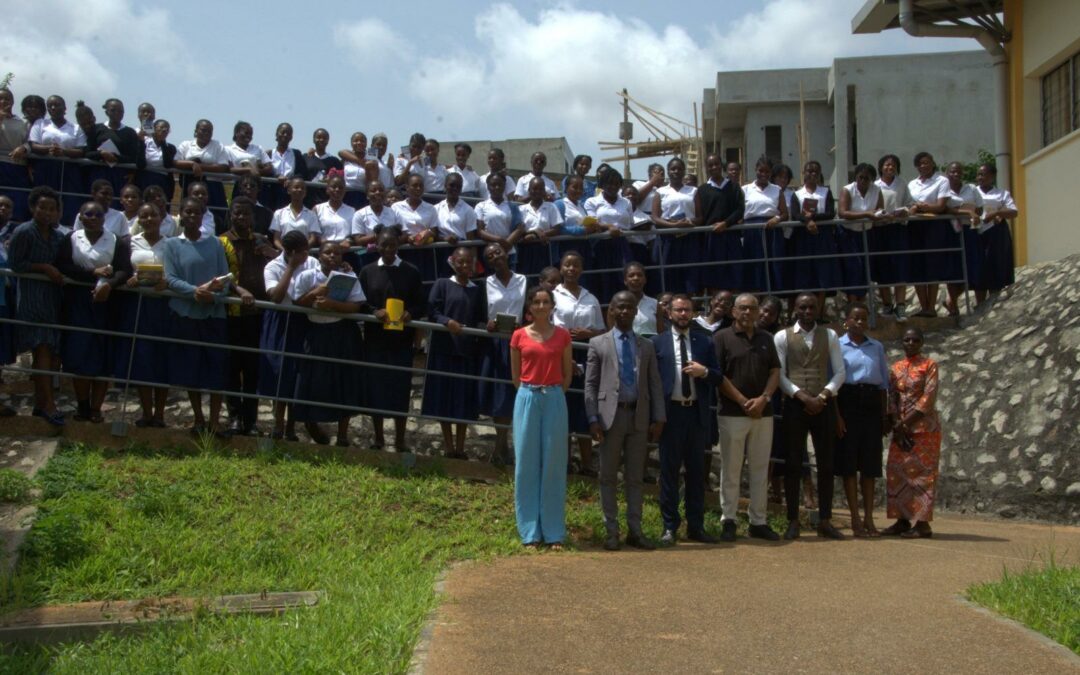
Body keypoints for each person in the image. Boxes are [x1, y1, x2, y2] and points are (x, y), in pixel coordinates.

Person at [163, 197, 253, 437]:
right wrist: (194, 292)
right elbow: (170, 278)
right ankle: (199, 419)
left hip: (213, 315)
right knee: (191, 369)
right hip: (186, 314)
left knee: (216, 369)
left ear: (204, 216)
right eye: (188, 212)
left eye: (197, 212)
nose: (192, 216)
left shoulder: (214, 244)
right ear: (181, 215)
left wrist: (213, 294)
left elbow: (226, 277)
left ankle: (214, 421)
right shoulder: (171, 245)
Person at [585, 291, 665, 551]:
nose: (625, 311)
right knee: (607, 476)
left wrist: (659, 417)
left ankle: (635, 530)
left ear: (635, 312)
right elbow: (590, 384)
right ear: (612, 311)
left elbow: (654, 383)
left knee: (635, 477)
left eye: (630, 307)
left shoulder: (646, 345)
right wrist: (592, 417)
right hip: (610, 417)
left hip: (639, 417)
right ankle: (611, 531)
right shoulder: (598, 343)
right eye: (620, 307)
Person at [651, 294, 724, 545]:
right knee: (669, 472)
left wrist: (704, 372)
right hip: (671, 414)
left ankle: (696, 526)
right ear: (669, 313)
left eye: (687, 310)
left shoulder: (704, 342)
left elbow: (718, 376)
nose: (683, 314)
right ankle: (669, 526)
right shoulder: (657, 343)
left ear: (693, 313)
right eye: (679, 310)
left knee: (696, 473)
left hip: (696, 413)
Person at [775, 293, 846, 540]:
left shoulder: (830, 335)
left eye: (812, 307)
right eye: (803, 307)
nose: (807, 311)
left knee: (826, 463)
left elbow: (840, 371)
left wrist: (824, 395)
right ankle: (793, 520)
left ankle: (824, 519)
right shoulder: (782, 336)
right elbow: (780, 374)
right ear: (795, 309)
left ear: (818, 309)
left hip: (822, 402)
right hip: (796, 405)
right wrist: (801, 396)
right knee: (793, 463)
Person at [56, 200, 133, 422]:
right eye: (87, 214)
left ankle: (96, 408)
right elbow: (63, 265)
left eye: (97, 215)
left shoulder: (115, 240)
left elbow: (124, 270)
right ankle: (82, 406)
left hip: (106, 303)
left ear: (103, 218)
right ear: (80, 217)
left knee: (102, 355)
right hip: (78, 303)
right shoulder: (71, 238)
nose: (92, 218)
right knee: (79, 354)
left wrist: (110, 284)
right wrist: (92, 273)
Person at [713, 293, 782, 542]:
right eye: (742, 308)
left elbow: (775, 370)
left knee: (760, 469)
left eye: (752, 308)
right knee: (731, 469)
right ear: (733, 311)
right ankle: (728, 519)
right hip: (733, 413)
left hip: (763, 413)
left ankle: (758, 521)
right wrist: (743, 401)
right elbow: (718, 376)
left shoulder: (766, 338)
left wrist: (764, 398)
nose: (748, 313)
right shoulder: (721, 338)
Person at [510, 285, 573, 549]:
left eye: (546, 302)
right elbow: (515, 376)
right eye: (536, 302)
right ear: (529, 307)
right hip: (527, 397)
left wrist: (553, 392)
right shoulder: (518, 336)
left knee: (554, 464)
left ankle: (553, 531)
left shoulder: (563, 335)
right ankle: (529, 532)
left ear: (552, 306)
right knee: (526, 463)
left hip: (555, 398)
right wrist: (531, 392)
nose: (541, 306)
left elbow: (567, 373)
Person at [289, 240, 366, 447]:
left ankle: (342, 434)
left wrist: (333, 305)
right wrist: (316, 293)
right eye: (328, 253)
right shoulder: (307, 276)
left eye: (337, 254)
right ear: (319, 256)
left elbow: (356, 306)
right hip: (315, 332)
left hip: (342, 333)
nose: (333, 257)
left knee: (344, 381)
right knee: (310, 381)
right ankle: (310, 424)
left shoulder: (349, 277)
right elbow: (296, 302)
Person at [358, 231, 426, 451]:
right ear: (377, 246)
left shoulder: (411, 271)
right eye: (384, 245)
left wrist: (410, 313)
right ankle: (379, 438)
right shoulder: (368, 271)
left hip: (401, 341)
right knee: (375, 387)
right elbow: (360, 301)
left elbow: (420, 303)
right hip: (375, 339)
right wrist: (374, 311)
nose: (389, 249)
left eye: (393, 245)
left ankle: (399, 439)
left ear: (398, 245)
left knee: (400, 388)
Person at [7, 186, 66, 425]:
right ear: (33, 207)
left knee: (50, 352)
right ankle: (49, 405)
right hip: (32, 298)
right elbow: (16, 264)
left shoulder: (58, 236)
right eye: (42, 207)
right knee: (41, 347)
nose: (47, 213)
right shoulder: (24, 232)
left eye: (52, 209)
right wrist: (42, 268)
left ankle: (41, 401)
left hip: (53, 299)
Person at [422, 247, 487, 458]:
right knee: (444, 399)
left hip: (467, 351)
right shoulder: (442, 284)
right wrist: (447, 321)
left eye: (469, 262)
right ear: (453, 262)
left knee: (463, 401)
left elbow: (480, 317)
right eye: (460, 262)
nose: (464, 266)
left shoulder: (477, 289)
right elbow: (432, 311)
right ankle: (448, 447)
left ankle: (461, 447)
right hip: (444, 349)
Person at [220, 197, 275, 436]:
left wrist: (271, 253)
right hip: (232, 312)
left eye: (246, 214)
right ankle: (234, 417)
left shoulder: (261, 240)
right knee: (232, 367)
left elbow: (279, 267)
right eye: (237, 213)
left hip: (257, 315)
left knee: (253, 370)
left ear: (253, 217)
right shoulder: (221, 241)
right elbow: (220, 275)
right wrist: (237, 289)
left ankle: (250, 420)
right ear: (231, 215)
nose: (241, 218)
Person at [836, 303, 889, 537]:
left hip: (871, 404)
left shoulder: (876, 347)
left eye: (864, 319)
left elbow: (884, 384)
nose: (860, 323)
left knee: (870, 466)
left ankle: (869, 517)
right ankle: (855, 518)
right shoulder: (837, 346)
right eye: (855, 318)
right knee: (849, 464)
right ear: (846, 321)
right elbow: (834, 383)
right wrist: (837, 416)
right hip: (848, 402)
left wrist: (884, 414)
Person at [259, 230, 318, 441]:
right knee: (279, 372)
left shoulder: (312, 262)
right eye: (302, 252)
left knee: (297, 374)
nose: (306, 255)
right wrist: (291, 267)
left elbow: (319, 286)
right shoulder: (273, 267)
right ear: (292, 252)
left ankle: (292, 426)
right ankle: (278, 424)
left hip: (302, 321)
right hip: (280, 320)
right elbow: (276, 296)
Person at [884, 327, 940, 539]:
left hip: (924, 429)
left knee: (924, 475)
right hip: (901, 430)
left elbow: (929, 398)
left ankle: (923, 523)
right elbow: (891, 397)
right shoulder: (896, 367)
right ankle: (902, 519)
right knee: (898, 472)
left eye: (915, 340)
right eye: (906, 340)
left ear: (921, 342)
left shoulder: (929, 366)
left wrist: (905, 424)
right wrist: (895, 423)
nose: (910, 343)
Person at [552, 250, 605, 476]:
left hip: (587, 357)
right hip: (560, 355)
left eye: (576, 265)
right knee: (562, 410)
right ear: (561, 268)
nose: (571, 269)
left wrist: (589, 333)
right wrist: (566, 357)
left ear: (582, 270)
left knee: (585, 409)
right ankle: (563, 462)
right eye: (567, 265)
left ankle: (586, 464)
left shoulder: (590, 298)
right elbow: (551, 329)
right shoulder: (553, 295)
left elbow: (602, 330)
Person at [121, 202, 171, 427]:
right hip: (138, 305)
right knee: (142, 358)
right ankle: (146, 412)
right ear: (138, 219)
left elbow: (177, 272)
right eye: (144, 216)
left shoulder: (171, 244)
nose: (149, 219)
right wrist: (129, 279)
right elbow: (121, 270)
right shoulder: (129, 242)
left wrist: (167, 282)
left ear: (162, 217)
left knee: (162, 358)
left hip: (163, 307)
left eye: (153, 215)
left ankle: (160, 413)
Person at [480, 242, 526, 465]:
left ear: (507, 254)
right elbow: (478, 314)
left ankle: (507, 446)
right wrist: (486, 324)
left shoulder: (524, 280)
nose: (495, 257)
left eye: (498, 252)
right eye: (489, 256)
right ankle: (501, 443)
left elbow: (530, 309)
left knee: (515, 391)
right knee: (498, 394)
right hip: (495, 343)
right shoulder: (485, 283)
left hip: (520, 342)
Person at [906, 152, 954, 317]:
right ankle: (923, 306)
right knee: (917, 266)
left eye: (926, 163)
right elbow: (908, 203)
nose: (923, 166)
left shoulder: (942, 181)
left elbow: (941, 206)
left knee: (932, 266)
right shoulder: (912, 183)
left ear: (933, 164)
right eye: (920, 163)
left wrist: (923, 207)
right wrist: (916, 207)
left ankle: (931, 307)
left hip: (934, 227)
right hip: (915, 227)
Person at [28, 95, 87, 226]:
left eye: (57, 104)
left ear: (65, 108)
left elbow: (81, 150)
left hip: (68, 170)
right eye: (50, 106)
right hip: (46, 168)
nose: (53, 108)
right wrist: (50, 149)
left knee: (68, 202)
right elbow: (33, 145)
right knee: (44, 199)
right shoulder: (41, 123)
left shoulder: (75, 128)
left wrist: (64, 152)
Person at [789, 160, 839, 313]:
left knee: (822, 274)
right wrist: (807, 221)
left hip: (822, 237)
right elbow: (796, 214)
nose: (812, 174)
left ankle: (819, 312)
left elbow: (831, 213)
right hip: (804, 238)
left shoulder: (825, 192)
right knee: (804, 274)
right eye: (809, 171)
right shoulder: (797, 194)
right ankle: (803, 311)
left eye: (815, 172)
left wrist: (814, 217)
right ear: (804, 173)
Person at [696, 153, 745, 293]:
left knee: (734, 274)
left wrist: (726, 223)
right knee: (713, 276)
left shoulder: (734, 187)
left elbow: (740, 210)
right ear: (706, 168)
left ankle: (732, 312)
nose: (714, 167)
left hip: (731, 236)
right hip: (711, 239)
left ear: (721, 166)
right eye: (710, 165)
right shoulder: (702, 190)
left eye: (716, 164)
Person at [837, 162, 885, 304]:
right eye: (860, 177)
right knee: (853, 268)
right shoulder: (847, 190)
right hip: (849, 234)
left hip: (867, 233)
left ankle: (862, 303)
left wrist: (882, 214)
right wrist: (866, 214)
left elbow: (880, 209)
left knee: (865, 268)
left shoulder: (876, 190)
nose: (863, 181)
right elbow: (842, 212)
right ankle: (853, 304)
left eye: (867, 178)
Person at [871, 154, 911, 320]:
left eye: (893, 165)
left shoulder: (902, 184)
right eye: (887, 165)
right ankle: (887, 304)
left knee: (900, 267)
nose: (890, 168)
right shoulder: (874, 185)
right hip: (880, 229)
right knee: (883, 268)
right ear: (881, 167)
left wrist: (904, 211)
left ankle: (900, 305)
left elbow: (910, 204)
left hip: (897, 229)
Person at [652, 157, 700, 295]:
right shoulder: (660, 192)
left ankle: (690, 307)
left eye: (679, 168)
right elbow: (655, 218)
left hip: (689, 238)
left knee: (689, 274)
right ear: (668, 171)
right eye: (673, 169)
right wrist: (674, 225)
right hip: (667, 238)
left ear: (684, 171)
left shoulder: (693, 191)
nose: (676, 171)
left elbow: (700, 216)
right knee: (668, 274)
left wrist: (689, 223)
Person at [741, 157, 788, 293]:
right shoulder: (745, 189)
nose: (763, 174)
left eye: (767, 172)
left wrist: (777, 219)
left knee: (772, 265)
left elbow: (785, 213)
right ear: (755, 170)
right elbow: (740, 212)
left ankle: (771, 299)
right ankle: (756, 299)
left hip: (771, 230)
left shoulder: (776, 189)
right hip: (752, 231)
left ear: (771, 173)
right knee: (754, 266)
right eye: (761, 170)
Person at [973, 163, 1017, 302]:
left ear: (992, 176)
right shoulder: (973, 192)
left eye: (983, 174)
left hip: (996, 234)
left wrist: (997, 213)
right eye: (979, 174)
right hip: (977, 233)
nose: (980, 177)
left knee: (995, 267)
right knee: (979, 269)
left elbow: (1013, 212)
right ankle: (980, 304)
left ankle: (993, 301)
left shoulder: (1002, 194)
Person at [943, 161, 983, 317]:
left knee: (975, 265)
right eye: (952, 171)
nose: (956, 174)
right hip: (952, 231)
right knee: (954, 269)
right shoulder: (944, 190)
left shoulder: (971, 189)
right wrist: (966, 212)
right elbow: (945, 207)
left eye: (959, 172)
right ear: (947, 173)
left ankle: (980, 304)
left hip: (970, 230)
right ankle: (953, 304)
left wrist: (971, 212)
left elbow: (979, 208)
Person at [174, 119, 231, 215]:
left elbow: (223, 166)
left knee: (217, 216)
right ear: (196, 131)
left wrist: (200, 167)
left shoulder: (217, 145)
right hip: (191, 185)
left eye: (209, 131)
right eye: (203, 130)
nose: (206, 133)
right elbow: (175, 162)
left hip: (213, 186)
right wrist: (192, 164)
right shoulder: (186, 145)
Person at [391, 174, 439, 281]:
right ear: (407, 187)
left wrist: (426, 233)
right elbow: (394, 230)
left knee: (424, 281)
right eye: (414, 185)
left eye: (421, 186)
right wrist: (407, 237)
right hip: (403, 251)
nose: (418, 188)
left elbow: (434, 230)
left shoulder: (431, 208)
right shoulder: (396, 207)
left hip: (424, 251)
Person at [516, 177, 563, 277]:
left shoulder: (551, 207)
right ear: (529, 190)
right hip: (526, 249)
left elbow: (557, 228)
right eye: (534, 188)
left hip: (545, 248)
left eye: (541, 189)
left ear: (544, 191)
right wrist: (535, 232)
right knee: (528, 278)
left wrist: (536, 235)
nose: (537, 191)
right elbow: (519, 230)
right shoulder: (521, 209)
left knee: (545, 278)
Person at [475, 173, 524, 269]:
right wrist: (499, 240)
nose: (496, 187)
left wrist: (506, 244)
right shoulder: (481, 206)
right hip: (490, 252)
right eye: (493, 185)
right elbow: (480, 231)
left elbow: (520, 228)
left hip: (508, 251)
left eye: (499, 184)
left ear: (504, 186)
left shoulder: (512, 206)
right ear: (488, 187)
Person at [0, 87, 31, 222]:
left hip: (17, 167)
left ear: (12, 101)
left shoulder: (23, 122)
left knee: (18, 202)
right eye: (0, 98)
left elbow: (30, 142)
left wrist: (23, 148)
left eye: (7, 98)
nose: (3, 101)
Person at [270, 175, 321, 251]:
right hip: (284, 254)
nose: (299, 190)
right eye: (296, 187)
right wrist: (285, 251)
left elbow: (313, 238)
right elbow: (276, 239)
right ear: (288, 190)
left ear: (305, 193)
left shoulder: (311, 215)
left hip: (303, 255)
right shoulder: (279, 213)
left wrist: (300, 251)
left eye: (302, 188)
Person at [137, 118, 176, 198]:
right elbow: (141, 164)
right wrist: (141, 142)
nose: (164, 130)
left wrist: (163, 143)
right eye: (161, 127)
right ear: (153, 129)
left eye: (167, 129)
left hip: (162, 180)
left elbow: (167, 164)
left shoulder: (170, 147)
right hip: (145, 178)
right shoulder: (145, 143)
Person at [314, 174, 356, 245]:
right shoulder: (317, 209)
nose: (337, 189)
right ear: (327, 189)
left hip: (346, 251)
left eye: (340, 187)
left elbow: (355, 234)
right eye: (333, 187)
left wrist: (348, 241)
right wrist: (321, 241)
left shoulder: (352, 211)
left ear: (345, 190)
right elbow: (314, 232)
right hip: (324, 250)